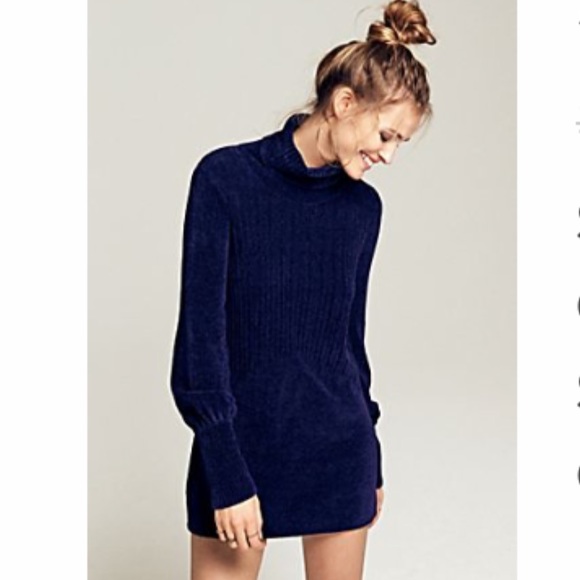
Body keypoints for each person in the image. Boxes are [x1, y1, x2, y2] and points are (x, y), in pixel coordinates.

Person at [169, 1, 436, 578]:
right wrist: (225, 468)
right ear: (344, 104)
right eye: (386, 134)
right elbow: (200, 342)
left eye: (401, 143)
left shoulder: (362, 210)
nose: (389, 155)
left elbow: (347, 344)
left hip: (340, 453)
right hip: (241, 450)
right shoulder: (225, 181)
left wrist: (371, 456)